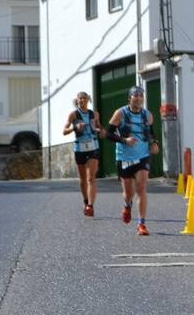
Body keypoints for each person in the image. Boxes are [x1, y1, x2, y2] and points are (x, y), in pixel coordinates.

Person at [107, 86, 159, 236]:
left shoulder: (147, 115)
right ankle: (127, 205)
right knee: (128, 193)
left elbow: (151, 134)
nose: (138, 98)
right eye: (135, 95)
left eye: (141, 95)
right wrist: (124, 140)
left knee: (141, 188)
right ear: (129, 98)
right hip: (124, 157)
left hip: (142, 156)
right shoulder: (120, 114)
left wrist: (155, 143)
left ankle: (141, 224)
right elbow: (108, 134)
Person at [63, 92, 101, 217]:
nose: (82, 100)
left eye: (85, 98)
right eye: (80, 99)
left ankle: (90, 205)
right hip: (79, 148)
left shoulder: (94, 114)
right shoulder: (73, 115)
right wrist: (75, 128)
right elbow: (64, 131)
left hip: (93, 147)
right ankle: (85, 201)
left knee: (91, 178)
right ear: (77, 101)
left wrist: (99, 130)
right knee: (83, 179)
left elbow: (99, 127)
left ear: (88, 100)